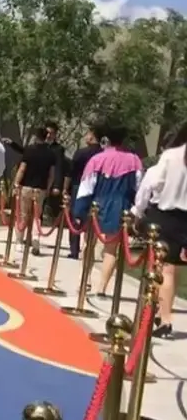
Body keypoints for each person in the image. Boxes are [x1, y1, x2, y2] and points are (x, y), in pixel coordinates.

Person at [132, 123, 187, 338]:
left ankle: (163, 317)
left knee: (162, 268)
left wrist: (138, 211)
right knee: (173, 269)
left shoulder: (171, 156)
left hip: (165, 215)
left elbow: (152, 184)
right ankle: (163, 310)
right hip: (184, 219)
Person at [75, 126, 143, 297]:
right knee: (111, 249)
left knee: (88, 244)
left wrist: (79, 210)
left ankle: (85, 279)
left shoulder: (97, 159)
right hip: (121, 205)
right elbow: (138, 187)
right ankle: (102, 288)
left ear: (107, 139)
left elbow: (86, 186)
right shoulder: (135, 161)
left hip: (97, 204)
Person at [13, 128, 57, 256]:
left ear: (36, 137)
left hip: (26, 187)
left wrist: (16, 183)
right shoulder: (51, 153)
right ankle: (35, 239)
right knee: (37, 216)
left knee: (23, 214)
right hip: (40, 188)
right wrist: (48, 188)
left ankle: (19, 241)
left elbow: (22, 169)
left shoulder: (29, 150)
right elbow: (51, 174)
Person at [65, 127, 102, 261]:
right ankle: (88, 248)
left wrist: (65, 188)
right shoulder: (102, 154)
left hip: (78, 186)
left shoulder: (81, 153)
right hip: (97, 189)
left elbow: (71, 172)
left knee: (76, 218)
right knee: (92, 218)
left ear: (92, 137)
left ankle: (74, 250)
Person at [42, 122, 67, 224]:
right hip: (38, 181)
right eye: (47, 132)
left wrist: (56, 185)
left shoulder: (58, 149)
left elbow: (59, 167)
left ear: (55, 134)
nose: (48, 135)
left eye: (51, 133)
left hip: (51, 182)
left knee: (51, 209)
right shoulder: (40, 146)